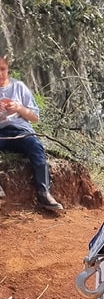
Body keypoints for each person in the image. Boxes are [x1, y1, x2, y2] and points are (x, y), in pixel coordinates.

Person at [0, 53, 63, 214]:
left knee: (35, 146)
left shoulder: (19, 87)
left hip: (21, 131)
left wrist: (19, 108)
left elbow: (35, 117)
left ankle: (44, 193)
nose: (0, 74)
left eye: (2, 69)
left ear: (8, 69)